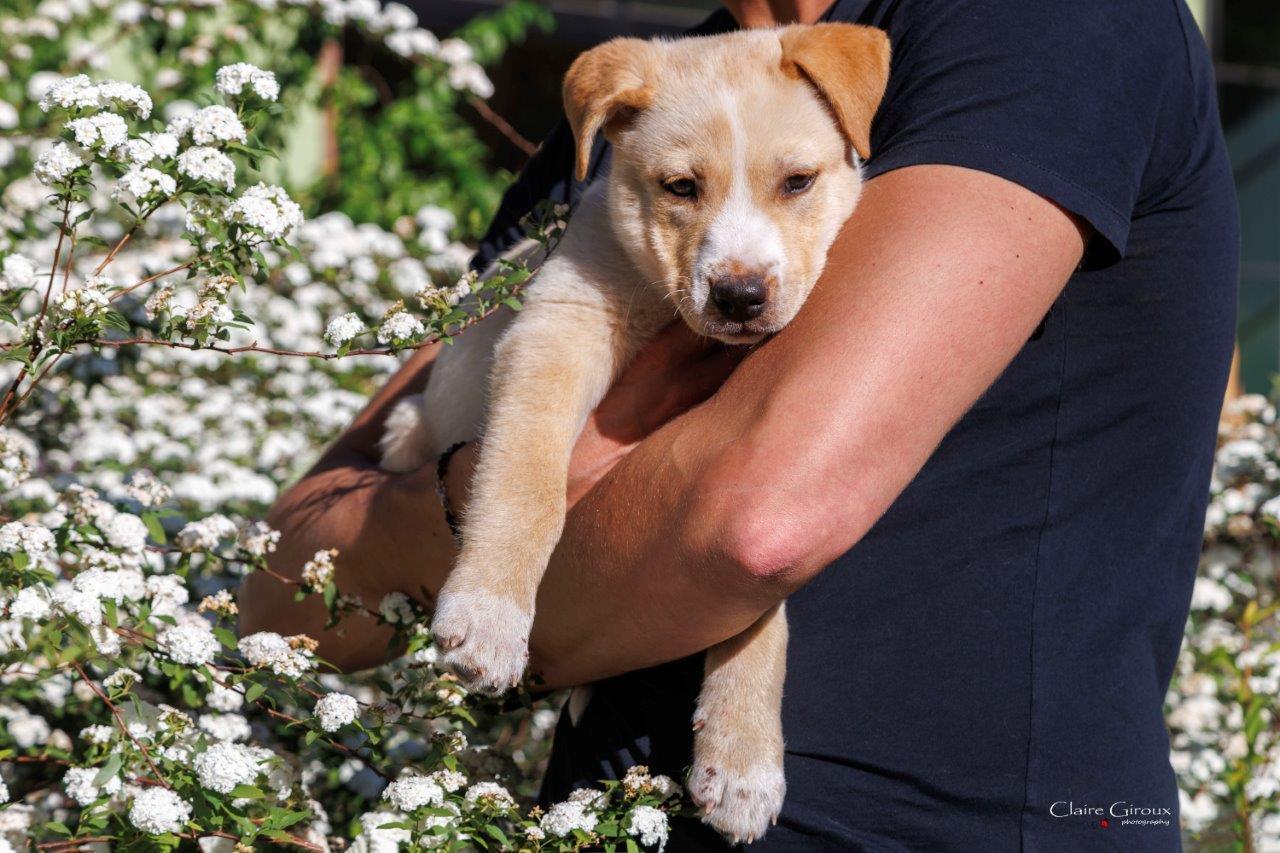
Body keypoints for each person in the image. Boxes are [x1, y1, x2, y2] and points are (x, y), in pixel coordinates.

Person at [239, 0, 1238, 848]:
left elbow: (759, 529)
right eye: (679, 192)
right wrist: (484, 517)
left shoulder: (1036, 24)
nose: (732, 254)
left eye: (795, 184)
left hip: (941, 820)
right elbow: (284, 589)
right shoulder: (653, 97)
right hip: (606, 812)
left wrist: (495, 569)